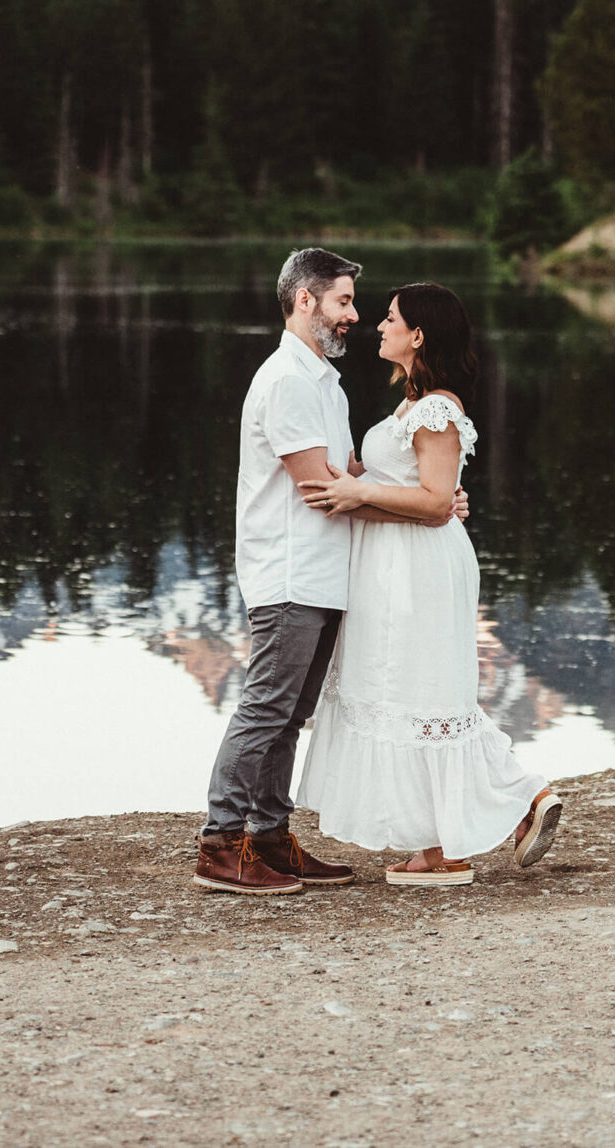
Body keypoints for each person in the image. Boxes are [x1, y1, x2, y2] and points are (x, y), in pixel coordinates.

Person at [192, 249, 464, 895]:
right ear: (306, 300)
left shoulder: (322, 381)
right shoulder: (286, 379)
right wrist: (429, 514)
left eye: (353, 303)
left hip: (326, 572)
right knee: (266, 710)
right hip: (290, 572)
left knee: (289, 713)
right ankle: (219, 845)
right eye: (343, 301)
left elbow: (354, 481)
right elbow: (320, 489)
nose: (354, 316)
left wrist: (433, 498)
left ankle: (270, 839)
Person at [295, 283, 563, 886]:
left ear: (417, 335)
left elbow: (437, 499)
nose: (377, 325)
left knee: (423, 693)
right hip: (393, 561)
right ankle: (489, 817)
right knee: (411, 691)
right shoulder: (411, 405)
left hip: (416, 569)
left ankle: (458, 842)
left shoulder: (437, 408)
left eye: (389, 318)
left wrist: (361, 490)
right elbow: (422, 493)